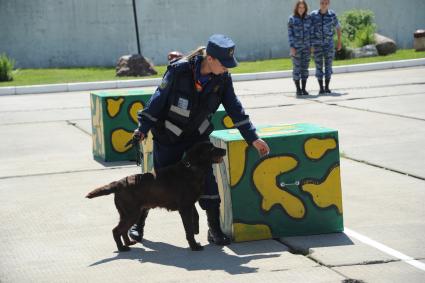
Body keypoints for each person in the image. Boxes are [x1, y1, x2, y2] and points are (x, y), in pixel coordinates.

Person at [129, 34, 270, 246]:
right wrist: (143, 128)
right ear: (210, 58)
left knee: (207, 181)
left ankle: (214, 230)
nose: (227, 68)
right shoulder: (179, 71)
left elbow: (235, 109)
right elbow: (158, 100)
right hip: (169, 136)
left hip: (197, 137)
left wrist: (253, 138)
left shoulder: (223, 79)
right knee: (160, 184)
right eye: (224, 63)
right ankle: (137, 224)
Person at [310, 0, 341, 94]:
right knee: (318, 66)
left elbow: (338, 27)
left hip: (329, 45)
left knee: (328, 66)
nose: (324, 5)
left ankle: (327, 87)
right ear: (319, 3)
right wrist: (311, 45)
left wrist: (339, 42)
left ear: (328, 4)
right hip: (317, 45)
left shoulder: (332, 14)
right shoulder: (313, 15)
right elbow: (309, 30)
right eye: (322, 3)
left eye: (326, 3)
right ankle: (321, 88)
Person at [288, 0, 313, 96]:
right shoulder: (292, 19)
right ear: (296, 8)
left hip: (306, 47)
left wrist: (311, 46)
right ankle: (298, 89)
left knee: (305, 69)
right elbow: (290, 35)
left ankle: (304, 89)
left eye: (303, 7)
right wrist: (292, 47)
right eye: (300, 7)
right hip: (296, 48)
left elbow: (311, 33)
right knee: (297, 68)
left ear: (305, 8)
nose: (301, 9)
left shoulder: (309, 18)